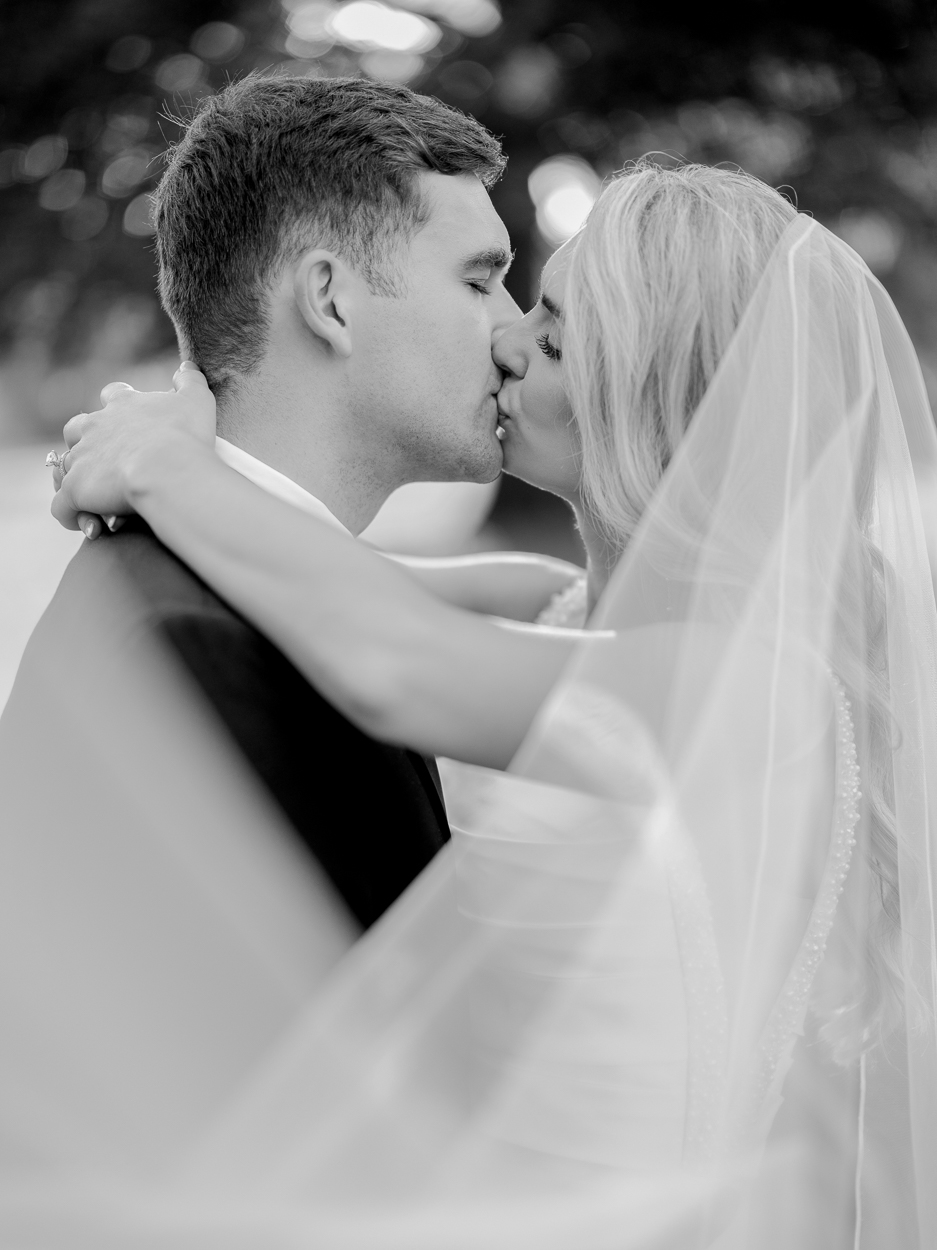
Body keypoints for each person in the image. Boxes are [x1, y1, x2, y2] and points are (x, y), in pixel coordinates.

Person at [15, 161, 937, 1247]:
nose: (505, 342)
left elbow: (395, 661)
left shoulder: (756, 689)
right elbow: (323, 571)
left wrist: (168, 470)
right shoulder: (559, 605)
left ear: (649, 398)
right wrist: (162, 434)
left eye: (551, 337)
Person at [4, 74, 587, 936]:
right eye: (477, 281)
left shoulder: (226, 581)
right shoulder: (198, 646)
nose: (509, 334)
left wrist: (168, 460)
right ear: (328, 300)